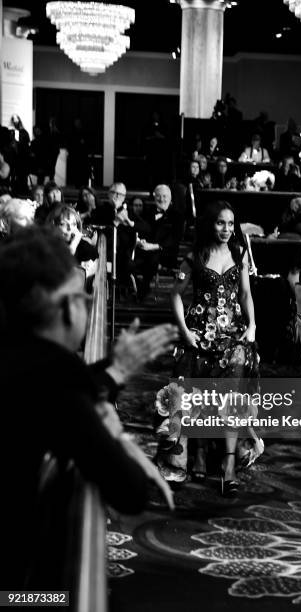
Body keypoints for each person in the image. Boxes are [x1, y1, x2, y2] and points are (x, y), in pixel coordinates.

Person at [0, 226, 178, 588]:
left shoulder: (22, 360)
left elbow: (48, 397)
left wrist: (113, 372)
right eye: (83, 298)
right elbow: (129, 490)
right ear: (67, 308)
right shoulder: (57, 378)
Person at [160, 201, 260, 495]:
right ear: (209, 225)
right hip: (198, 334)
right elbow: (175, 295)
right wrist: (183, 330)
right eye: (220, 223)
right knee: (189, 396)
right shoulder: (194, 257)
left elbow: (245, 294)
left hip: (232, 337)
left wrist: (252, 325)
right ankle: (190, 458)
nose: (226, 229)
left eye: (230, 224)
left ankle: (228, 466)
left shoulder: (239, 254)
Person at [135, 184, 184, 299]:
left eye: (164, 196)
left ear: (170, 198)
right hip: (145, 249)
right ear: (154, 197)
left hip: (166, 252)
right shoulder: (147, 212)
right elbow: (141, 230)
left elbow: (174, 238)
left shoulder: (177, 216)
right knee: (129, 259)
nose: (161, 199)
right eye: (158, 196)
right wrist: (140, 241)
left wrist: (153, 246)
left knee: (153, 257)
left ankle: (143, 289)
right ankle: (135, 284)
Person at [46, 204, 99, 277]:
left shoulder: (82, 245)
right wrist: (73, 246)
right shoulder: (46, 246)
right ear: (53, 226)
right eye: (63, 224)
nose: (70, 228)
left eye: (74, 224)